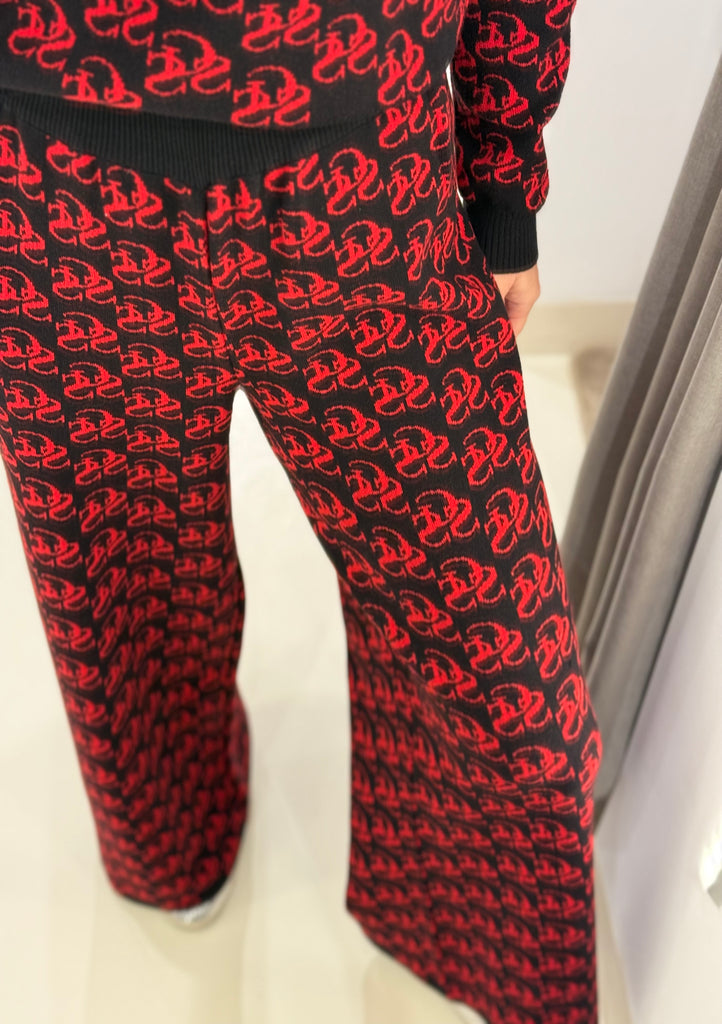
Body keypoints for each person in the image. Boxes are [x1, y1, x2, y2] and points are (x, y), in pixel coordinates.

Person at [0, 2, 602, 1022]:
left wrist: (502, 176)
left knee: (502, 668)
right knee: (120, 579)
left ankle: (464, 926)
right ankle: (173, 847)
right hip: (49, 182)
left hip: (369, 182)